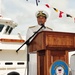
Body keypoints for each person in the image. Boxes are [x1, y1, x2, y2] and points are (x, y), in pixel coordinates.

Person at [26, 10, 52, 75]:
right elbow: (29, 41)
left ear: (45, 20)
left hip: (47, 55)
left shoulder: (49, 30)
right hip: (35, 55)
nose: (40, 19)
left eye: (42, 18)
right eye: (38, 18)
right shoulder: (31, 29)